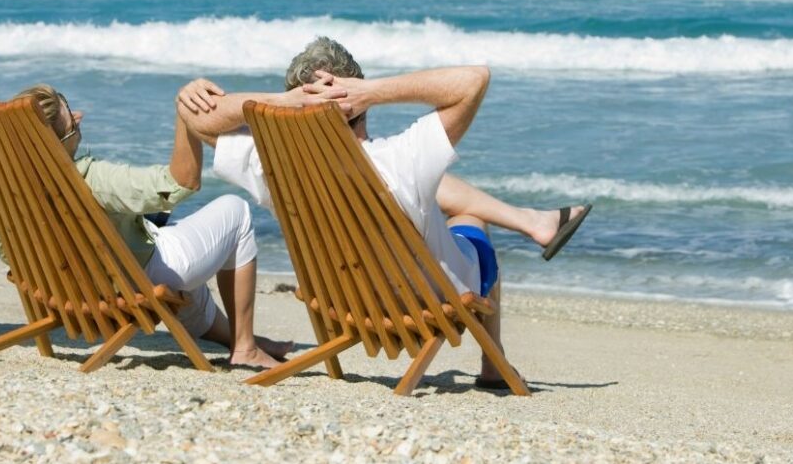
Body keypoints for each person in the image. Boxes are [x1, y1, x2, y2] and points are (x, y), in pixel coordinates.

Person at [175, 37, 592, 388]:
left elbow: (198, 119)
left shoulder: (270, 166)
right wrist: (372, 90)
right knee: (468, 223)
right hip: (428, 301)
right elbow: (474, 78)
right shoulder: (402, 158)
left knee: (432, 190)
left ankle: (532, 221)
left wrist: (281, 102)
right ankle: (492, 363)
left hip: (343, 304)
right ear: (357, 99)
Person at [0, 83, 291, 369]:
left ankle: (240, 339)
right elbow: (180, 183)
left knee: (181, 253)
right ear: (57, 143)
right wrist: (185, 116)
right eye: (72, 122)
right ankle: (245, 349)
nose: (79, 115)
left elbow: (7, 253)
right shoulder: (91, 180)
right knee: (235, 212)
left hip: (72, 288)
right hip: (130, 281)